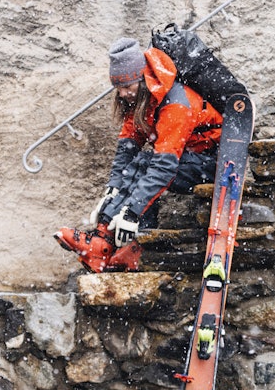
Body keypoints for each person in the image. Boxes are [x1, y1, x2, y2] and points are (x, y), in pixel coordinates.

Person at [55, 37, 223, 272]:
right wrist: (111, 191)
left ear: (143, 79)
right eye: (118, 88)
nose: (123, 94)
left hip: (213, 163)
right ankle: (108, 242)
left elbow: (164, 167)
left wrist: (131, 213)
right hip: (186, 158)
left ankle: (108, 244)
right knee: (138, 163)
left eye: (127, 87)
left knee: (146, 164)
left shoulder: (176, 104)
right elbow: (126, 149)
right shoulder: (143, 100)